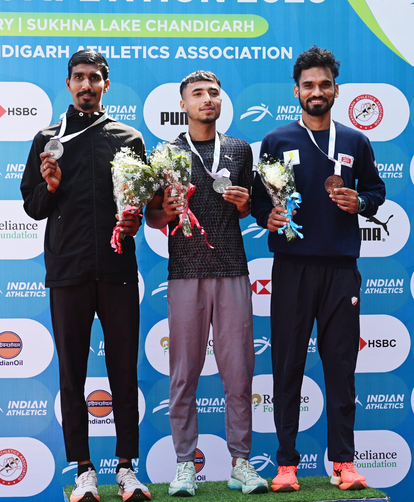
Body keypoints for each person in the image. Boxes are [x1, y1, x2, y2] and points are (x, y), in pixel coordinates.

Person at [252, 46, 385, 493]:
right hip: (292, 268)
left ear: (335, 91)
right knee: (287, 366)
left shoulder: (355, 141)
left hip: (341, 270)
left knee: (341, 368)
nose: (317, 91)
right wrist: (267, 217)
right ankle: (286, 465)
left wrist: (360, 201)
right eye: (308, 85)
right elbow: (259, 200)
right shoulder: (276, 140)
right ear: (296, 91)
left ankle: (344, 462)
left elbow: (376, 191)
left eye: (324, 84)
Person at [21, 50, 151, 502]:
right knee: (71, 375)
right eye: (79, 77)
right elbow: (33, 207)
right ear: (68, 83)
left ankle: (127, 469)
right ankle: (83, 471)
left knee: (123, 373)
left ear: (106, 84)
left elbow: (140, 205)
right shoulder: (47, 138)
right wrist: (50, 186)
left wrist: (134, 219)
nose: (86, 85)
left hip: (117, 271)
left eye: (95, 77)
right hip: (68, 271)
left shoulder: (129, 138)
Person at [145, 70, 268, 497]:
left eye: (213, 92)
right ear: (183, 104)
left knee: (239, 372)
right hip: (185, 272)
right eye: (197, 93)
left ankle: (241, 463)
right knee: (183, 374)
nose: (207, 99)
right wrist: (166, 210)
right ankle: (185, 465)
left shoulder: (239, 149)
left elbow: (250, 209)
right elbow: (153, 217)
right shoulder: (166, 152)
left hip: (232, 269)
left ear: (221, 100)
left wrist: (246, 204)